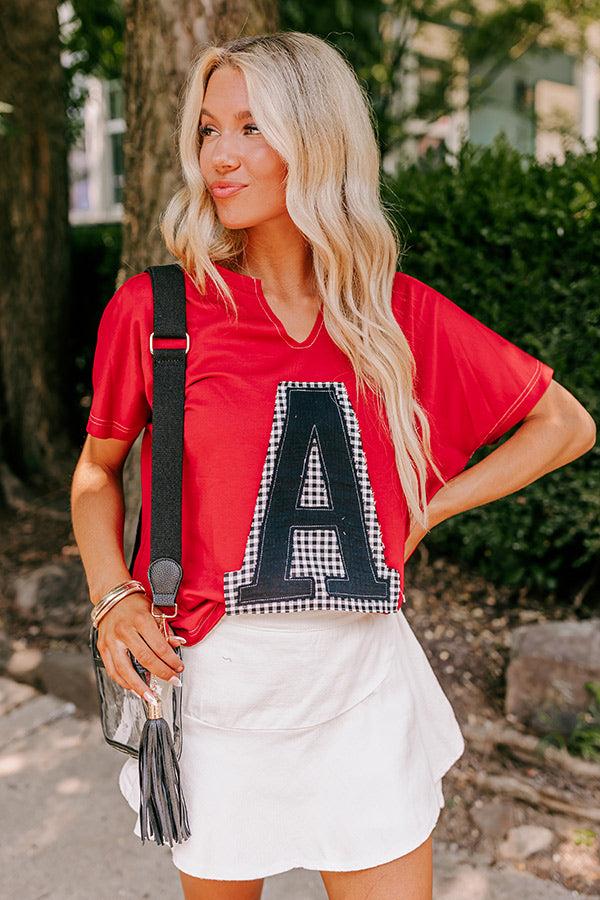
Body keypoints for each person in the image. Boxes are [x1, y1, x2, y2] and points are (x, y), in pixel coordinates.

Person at [70, 30, 596, 900]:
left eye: (250, 129)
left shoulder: (392, 315)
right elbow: (97, 473)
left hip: (359, 690)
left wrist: (428, 510)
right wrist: (112, 596)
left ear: (315, 142)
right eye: (208, 131)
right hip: (220, 694)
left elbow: (563, 423)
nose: (221, 158)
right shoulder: (159, 311)